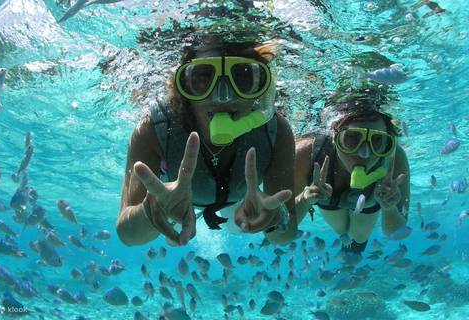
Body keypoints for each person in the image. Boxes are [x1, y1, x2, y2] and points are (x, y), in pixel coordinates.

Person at [116, 38, 297, 247]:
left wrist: (273, 219)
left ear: (262, 86)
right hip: (174, 203)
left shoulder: (276, 132)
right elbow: (128, 235)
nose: (223, 97)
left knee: (238, 227)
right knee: (172, 235)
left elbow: (286, 234)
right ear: (182, 85)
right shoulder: (154, 129)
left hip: (241, 205)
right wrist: (150, 211)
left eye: (242, 76)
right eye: (203, 76)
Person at [294, 92, 410, 253]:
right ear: (334, 137)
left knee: (359, 237)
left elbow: (396, 230)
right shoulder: (307, 151)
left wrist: (390, 208)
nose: (364, 153)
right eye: (351, 138)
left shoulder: (394, 157)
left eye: (377, 140)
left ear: (387, 143)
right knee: (343, 232)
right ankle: (349, 245)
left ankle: (355, 246)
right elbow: (284, 223)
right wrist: (305, 199)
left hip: (365, 201)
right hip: (331, 198)